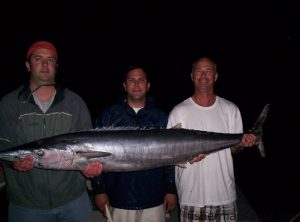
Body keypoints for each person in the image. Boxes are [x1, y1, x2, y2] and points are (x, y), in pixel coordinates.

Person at [0, 40, 102, 222]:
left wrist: (88, 167)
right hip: (26, 204)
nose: (45, 64)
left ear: (57, 66)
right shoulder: (9, 104)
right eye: (38, 59)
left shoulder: (75, 102)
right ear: (27, 65)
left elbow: (89, 147)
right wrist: (12, 164)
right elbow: (3, 148)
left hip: (73, 200)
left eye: (50, 59)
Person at [167, 57, 257, 222]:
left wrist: (242, 143)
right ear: (192, 76)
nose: (203, 75)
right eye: (198, 71)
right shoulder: (178, 112)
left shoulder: (231, 109)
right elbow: (170, 152)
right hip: (191, 196)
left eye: (208, 71)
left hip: (224, 194)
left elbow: (233, 149)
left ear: (216, 76)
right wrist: (187, 157)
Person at [92, 66, 177, 222]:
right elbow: (95, 156)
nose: (136, 85)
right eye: (131, 80)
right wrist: (99, 190)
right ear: (125, 85)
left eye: (141, 80)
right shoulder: (109, 116)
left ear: (148, 85)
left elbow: (170, 157)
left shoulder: (161, 117)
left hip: (154, 198)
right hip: (118, 198)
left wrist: (171, 189)